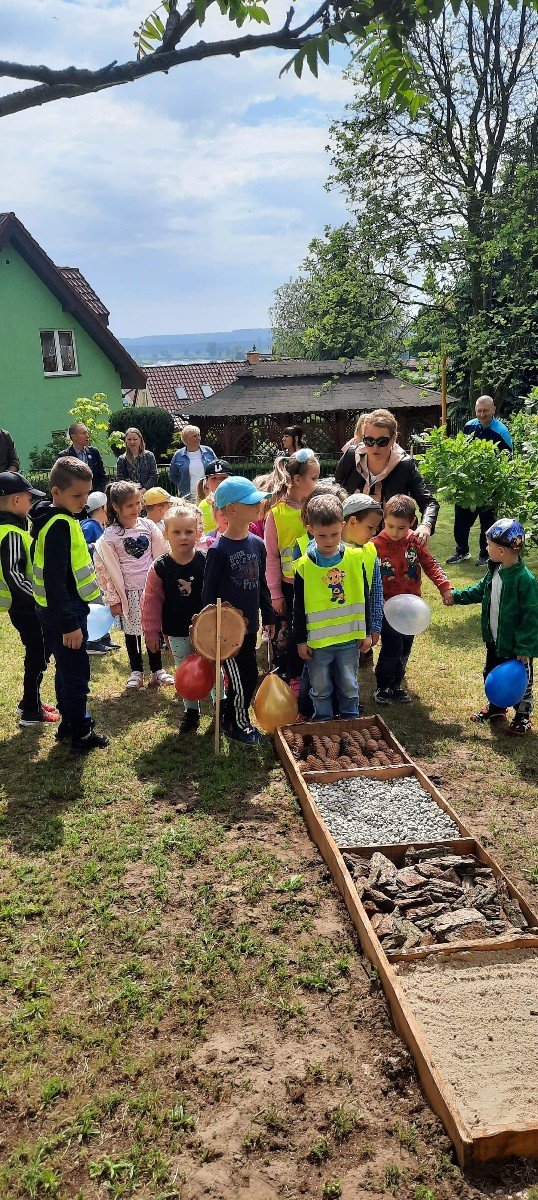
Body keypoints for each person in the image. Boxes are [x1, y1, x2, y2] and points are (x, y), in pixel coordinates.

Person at [31, 457, 109, 752]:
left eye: (87, 494)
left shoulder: (50, 518)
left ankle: (68, 724)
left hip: (53, 611)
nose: (84, 501)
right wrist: (69, 624)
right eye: (77, 495)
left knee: (65, 670)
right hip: (65, 613)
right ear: (56, 492)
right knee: (76, 674)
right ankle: (82, 733)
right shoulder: (59, 526)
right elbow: (54, 581)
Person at [201, 476, 275, 745]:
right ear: (231, 510)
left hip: (251, 627)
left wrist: (268, 616)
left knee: (246, 675)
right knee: (242, 677)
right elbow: (208, 595)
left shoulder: (258, 544)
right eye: (252, 502)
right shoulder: (218, 551)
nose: (259, 505)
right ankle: (238, 724)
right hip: (227, 634)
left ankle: (232, 716)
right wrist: (212, 630)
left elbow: (262, 585)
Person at [452, 518, 538, 736]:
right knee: (491, 673)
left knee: (520, 681)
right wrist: (456, 597)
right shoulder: (495, 570)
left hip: (516, 647)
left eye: (488, 545)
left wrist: (525, 647)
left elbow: (531, 615)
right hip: (495, 640)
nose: (486, 548)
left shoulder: (525, 580)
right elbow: (479, 590)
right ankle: (497, 708)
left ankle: (523, 716)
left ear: (501, 550)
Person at [293, 493, 369, 721]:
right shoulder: (304, 566)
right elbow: (298, 607)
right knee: (320, 688)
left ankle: (350, 721)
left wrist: (365, 633)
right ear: (310, 530)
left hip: (348, 640)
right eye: (321, 535)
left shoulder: (356, 559)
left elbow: (363, 596)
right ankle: (323, 723)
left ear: (343, 526)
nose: (329, 540)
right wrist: (300, 640)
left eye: (335, 534)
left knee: (348, 684)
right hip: (319, 644)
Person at [372, 494, 453, 705]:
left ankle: (396, 685)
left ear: (412, 523)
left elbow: (431, 565)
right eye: (390, 526)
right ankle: (382, 686)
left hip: (411, 608)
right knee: (392, 646)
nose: (395, 532)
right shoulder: (375, 546)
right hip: (386, 608)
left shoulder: (416, 542)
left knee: (405, 647)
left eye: (401, 527)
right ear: (384, 520)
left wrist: (445, 588)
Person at [93, 481, 172, 689]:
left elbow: (162, 555)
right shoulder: (109, 537)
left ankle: (157, 670)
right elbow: (104, 571)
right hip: (128, 593)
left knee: (152, 630)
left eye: (138, 503)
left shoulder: (148, 527)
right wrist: (113, 599)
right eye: (130, 505)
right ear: (116, 507)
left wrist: (167, 584)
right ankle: (136, 671)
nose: (136, 509)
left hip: (151, 591)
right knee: (132, 633)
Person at [0, 471, 58, 727]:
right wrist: (40, 599)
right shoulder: (11, 532)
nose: (31, 504)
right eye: (28, 498)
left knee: (38, 652)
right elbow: (14, 574)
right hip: (26, 607)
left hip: (23, 606)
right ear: (15, 500)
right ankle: (31, 711)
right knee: (38, 653)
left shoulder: (9, 528)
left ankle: (29, 699)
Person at [142, 503, 206, 734]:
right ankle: (191, 711)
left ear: (198, 532)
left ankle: (222, 705)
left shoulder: (205, 561)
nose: (183, 537)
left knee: (214, 667)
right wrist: (151, 632)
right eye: (176, 532)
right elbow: (151, 601)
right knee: (185, 670)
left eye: (189, 531)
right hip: (176, 630)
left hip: (206, 630)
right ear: (165, 534)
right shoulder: (159, 567)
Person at [334, 409, 439, 544]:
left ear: (393, 438)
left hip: (391, 540)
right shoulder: (351, 456)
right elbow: (335, 490)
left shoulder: (405, 465)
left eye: (382, 441)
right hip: (352, 537)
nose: (375, 447)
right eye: (369, 440)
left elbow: (429, 502)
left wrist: (426, 525)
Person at [264, 449, 320, 689]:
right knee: (293, 633)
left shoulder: (319, 508)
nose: (318, 483)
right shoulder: (276, 514)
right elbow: (272, 557)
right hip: (289, 586)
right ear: (297, 480)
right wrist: (275, 593)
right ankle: (291, 675)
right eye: (314, 478)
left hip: (318, 583)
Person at [447, 396, 514, 567]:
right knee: (461, 518)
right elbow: (461, 450)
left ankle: (486, 555)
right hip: (468, 484)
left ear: (493, 410)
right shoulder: (469, 426)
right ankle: (461, 550)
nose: (482, 414)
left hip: (490, 485)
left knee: (487, 522)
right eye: (479, 411)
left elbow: (508, 460)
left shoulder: (501, 431)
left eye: (485, 411)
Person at [342, 494, 384, 655]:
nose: (374, 533)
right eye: (370, 527)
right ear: (353, 521)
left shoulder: (370, 550)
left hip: (358, 631)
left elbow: (376, 591)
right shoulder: (326, 549)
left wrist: (374, 626)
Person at [81, 491, 117, 657]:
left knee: (105, 605)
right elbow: (84, 547)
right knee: (96, 607)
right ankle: (92, 641)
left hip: (102, 576)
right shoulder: (89, 526)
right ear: (103, 507)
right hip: (93, 575)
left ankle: (103, 637)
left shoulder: (99, 526)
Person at [57, 423, 107, 493]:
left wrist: (97, 492)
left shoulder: (94, 452)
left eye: (87, 433)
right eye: (84, 433)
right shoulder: (65, 455)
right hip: (74, 496)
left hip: (94, 496)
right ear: (73, 436)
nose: (87, 436)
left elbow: (102, 476)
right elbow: (62, 480)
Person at [169, 426, 216, 499]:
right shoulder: (178, 455)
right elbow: (172, 475)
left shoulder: (208, 451)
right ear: (186, 439)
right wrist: (182, 484)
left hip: (208, 494)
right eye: (195, 436)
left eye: (199, 435)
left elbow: (217, 469)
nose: (198, 438)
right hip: (188, 496)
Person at [116, 428, 158, 493]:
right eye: (129, 439)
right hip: (129, 494)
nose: (132, 442)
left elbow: (154, 476)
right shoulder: (121, 459)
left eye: (135, 439)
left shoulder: (149, 456)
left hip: (148, 493)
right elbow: (120, 479)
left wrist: (143, 490)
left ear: (140, 440)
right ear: (126, 441)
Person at [196, 460, 232, 533]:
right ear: (207, 481)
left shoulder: (239, 501)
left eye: (223, 478)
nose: (219, 481)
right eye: (214, 478)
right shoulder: (203, 506)